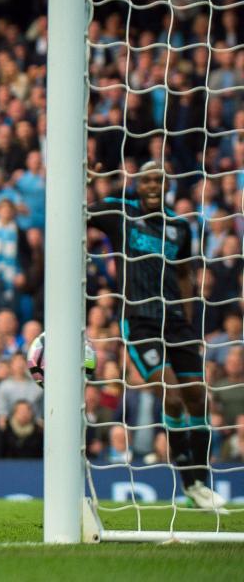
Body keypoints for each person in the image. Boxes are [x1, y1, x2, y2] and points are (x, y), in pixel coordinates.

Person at [87, 162, 225, 510]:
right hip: (140, 320)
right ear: (138, 184)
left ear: (166, 186)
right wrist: (87, 181)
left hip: (176, 322)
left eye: (159, 180)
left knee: (197, 398)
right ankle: (191, 484)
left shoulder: (179, 228)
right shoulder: (122, 213)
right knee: (173, 397)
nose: (152, 185)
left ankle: (200, 484)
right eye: (147, 179)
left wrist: (191, 327)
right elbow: (84, 214)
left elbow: (183, 277)